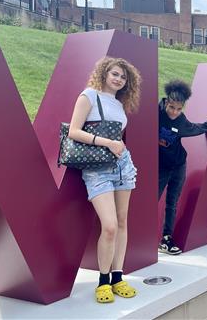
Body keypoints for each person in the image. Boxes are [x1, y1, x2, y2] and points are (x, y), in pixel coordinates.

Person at [68, 57, 141, 303]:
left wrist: (116, 146)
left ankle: (118, 276)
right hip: (97, 169)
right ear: (104, 73)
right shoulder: (89, 95)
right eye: (115, 74)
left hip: (122, 166)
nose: (119, 79)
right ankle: (103, 281)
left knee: (122, 222)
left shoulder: (119, 105)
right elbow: (74, 131)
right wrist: (107, 142)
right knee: (108, 226)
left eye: (123, 77)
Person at [158, 80, 207, 254]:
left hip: (178, 165)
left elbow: (193, 128)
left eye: (179, 109)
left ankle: (166, 239)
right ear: (166, 101)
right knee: (151, 200)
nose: (175, 112)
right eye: (171, 107)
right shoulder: (156, 113)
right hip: (160, 167)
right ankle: (140, 239)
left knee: (172, 202)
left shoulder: (181, 119)